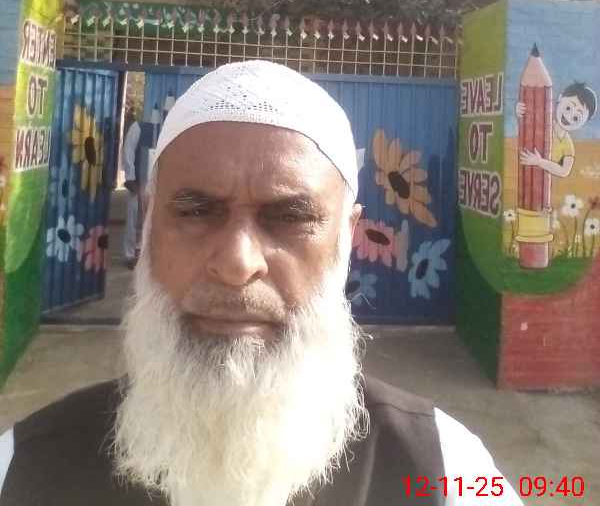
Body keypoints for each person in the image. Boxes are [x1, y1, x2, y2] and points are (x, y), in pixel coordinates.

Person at [0, 61, 523, 506]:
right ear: (150, 223)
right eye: (196, 211)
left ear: (346, 240)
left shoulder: (445, 471)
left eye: (289, 218)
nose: (237, 263)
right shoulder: (23, 468)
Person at [518, 81, 597, 177]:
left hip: (544, 181)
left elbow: (564, 171)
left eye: (576, 117)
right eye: (568, 108)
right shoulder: (543, 122)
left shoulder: (567, 145)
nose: (569, 116)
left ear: (584, 122)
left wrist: (539, 162)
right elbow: (527, 122)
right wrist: (520, 111)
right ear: (560, 98)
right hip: (525, 173)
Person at [121, 114, 143, 268]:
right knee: (133, 220)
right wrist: (131, 177)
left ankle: (142, 255)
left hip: (154, 184)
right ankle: (130, 255)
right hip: (138, 182)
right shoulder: (138, 127)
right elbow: (128, 152)